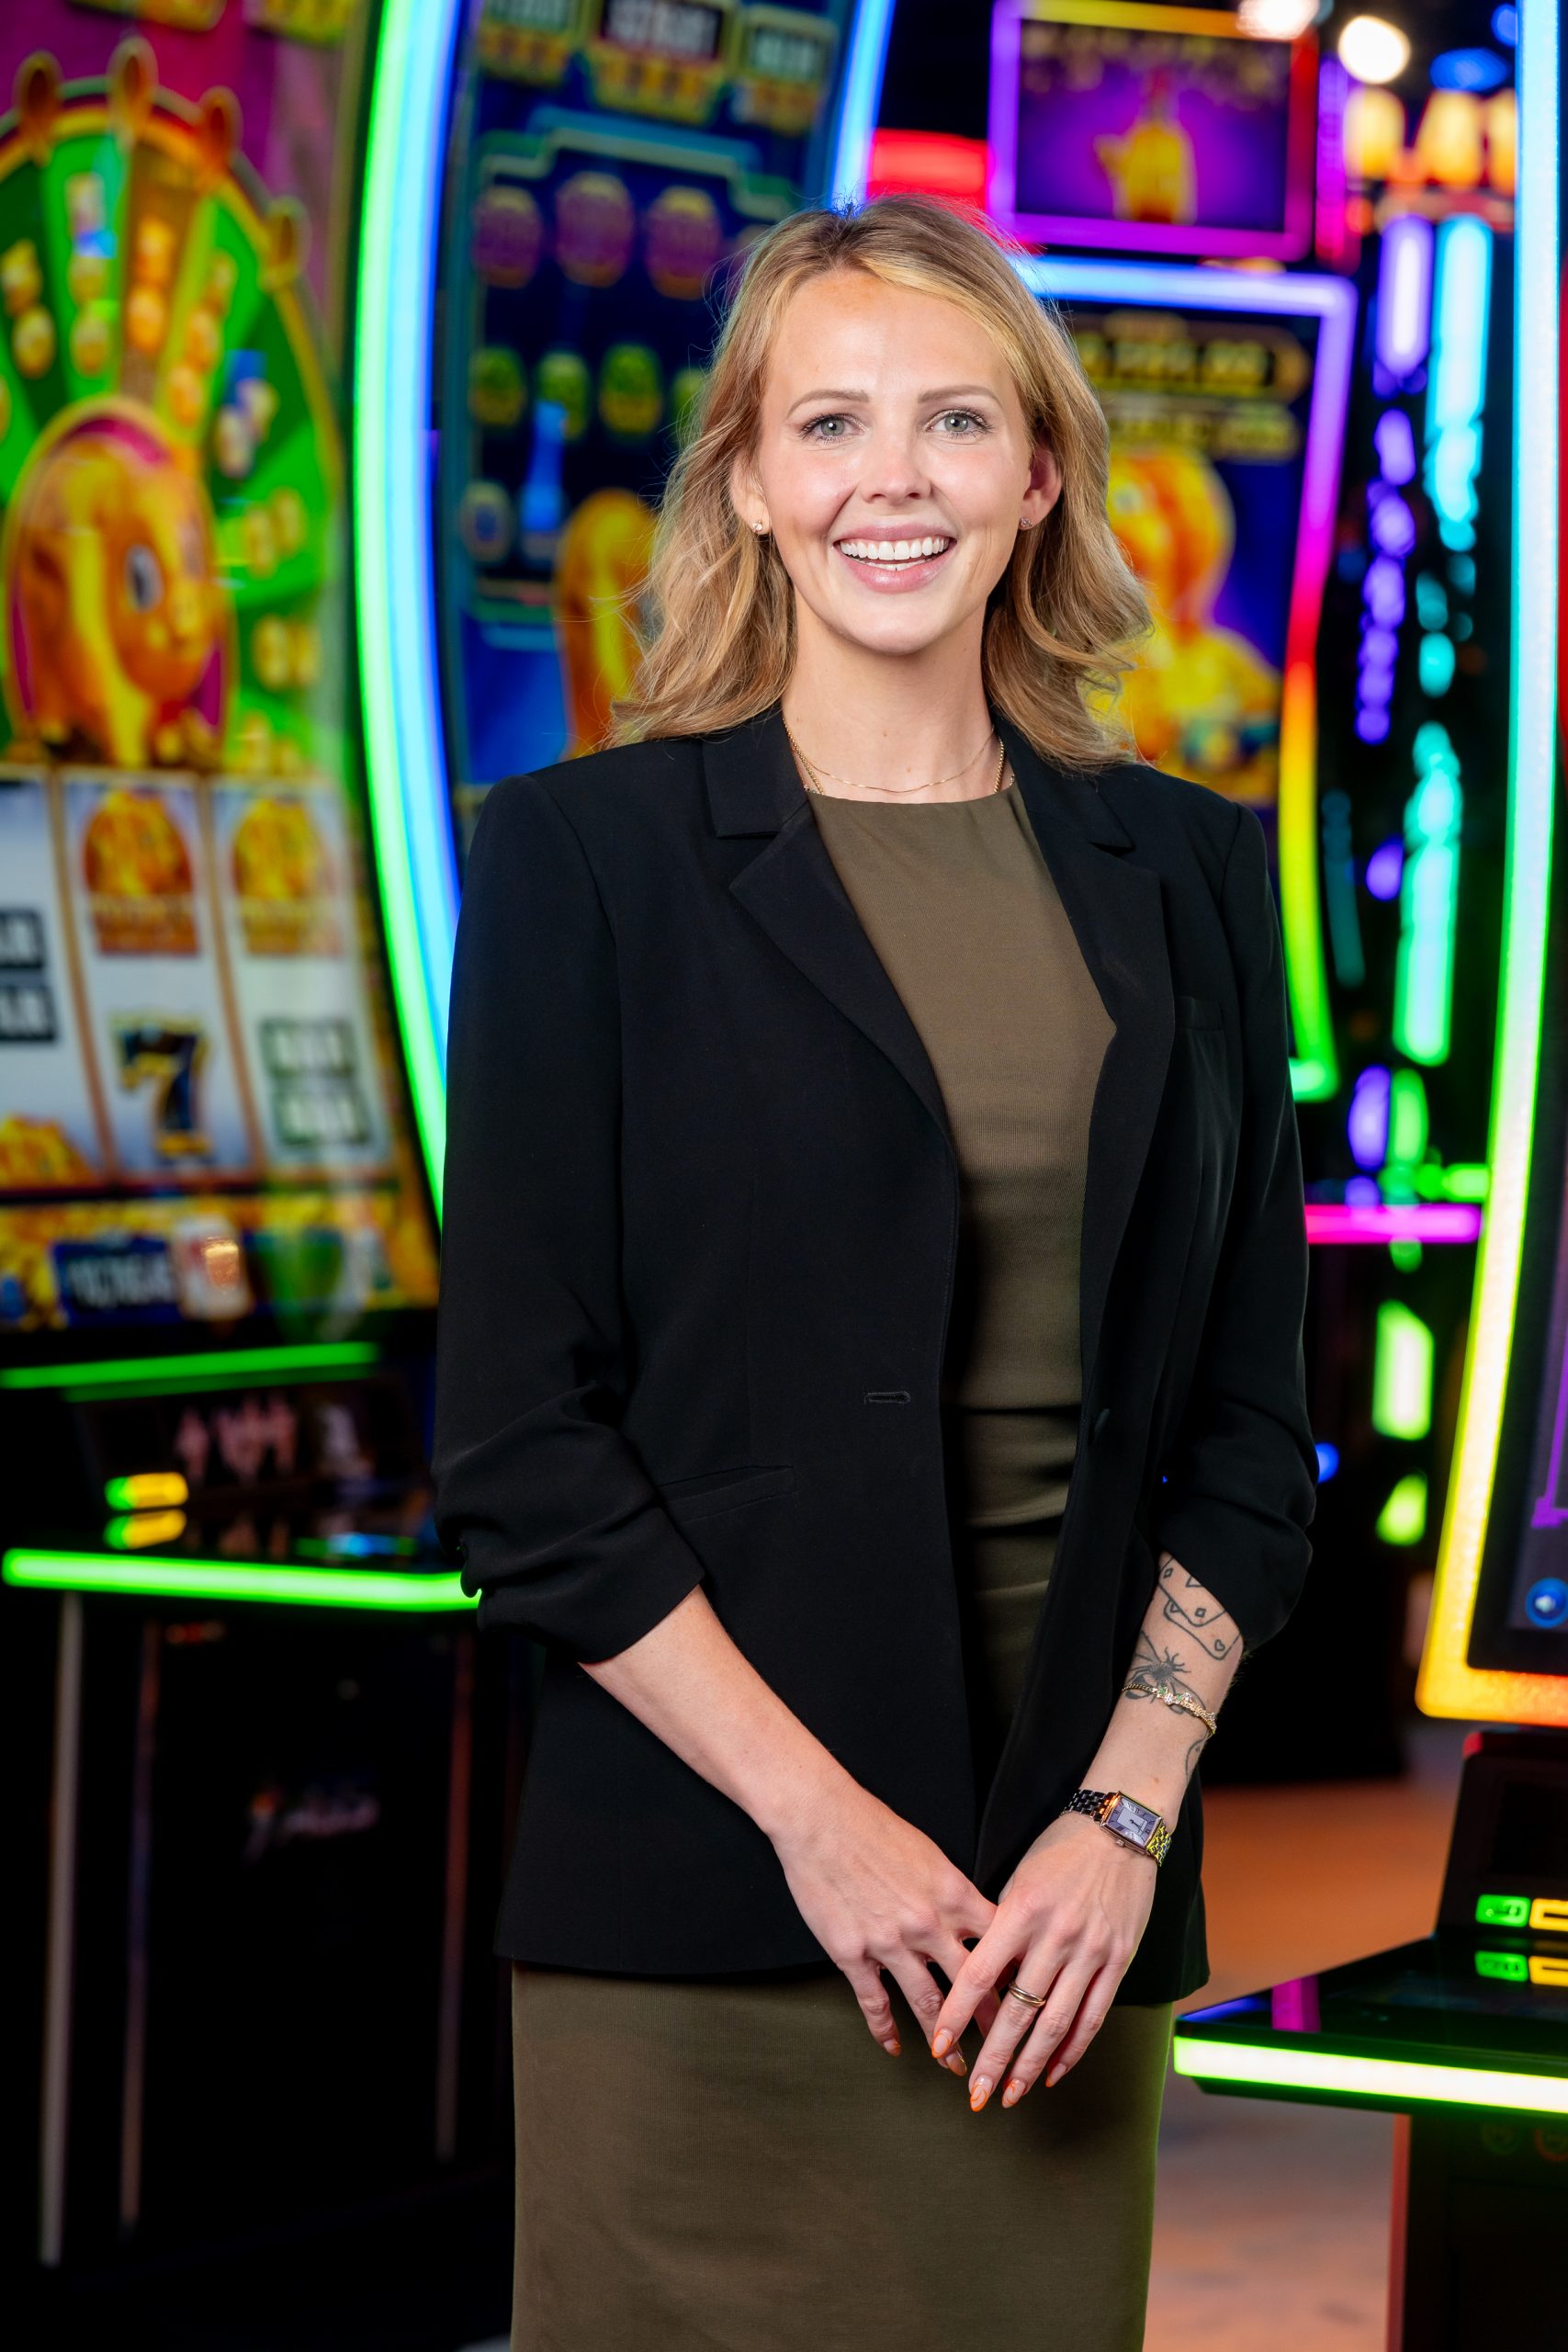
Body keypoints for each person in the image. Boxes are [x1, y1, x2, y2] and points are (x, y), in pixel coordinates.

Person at [432, 193, 1317, 2352]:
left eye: (951, 419)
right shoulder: (585, 862)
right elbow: (521, 1449)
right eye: (828, 423)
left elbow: (1243, 1424)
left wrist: (1120, 1817)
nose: (888, 476)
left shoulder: (1189, 869)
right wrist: (825, 1831)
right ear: (748, 474)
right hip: (710, 1912)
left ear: (1037, 474)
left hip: (1051, 1931)